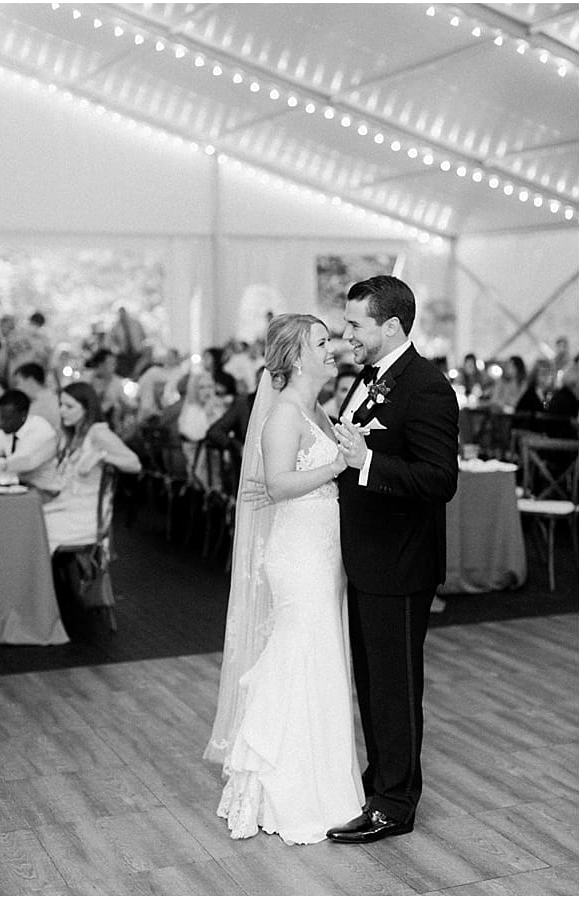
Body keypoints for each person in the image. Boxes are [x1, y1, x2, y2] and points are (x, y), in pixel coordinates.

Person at [205, 313, 363, 844]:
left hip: (323, 552)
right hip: (297, 555)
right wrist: (340, 465)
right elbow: (275, 484)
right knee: (302, 655)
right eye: (321, 343)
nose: (332, 349)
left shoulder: (316, 408)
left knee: (320, 658)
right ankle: (286, 790)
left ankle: (322, 783)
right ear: (296, 357)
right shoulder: (284, 414)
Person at [327, 275, 459, 843]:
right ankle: (379, 778)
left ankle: (395, 804)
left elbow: (439, 479)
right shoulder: (369, 376)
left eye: (356, 324)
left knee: (396, 686)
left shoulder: (426, 386)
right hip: (366, 556)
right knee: (372, 683)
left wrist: (365, 463)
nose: (347, 333)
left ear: (392, 327)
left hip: (401, 562)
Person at [41, 382, 141, 553]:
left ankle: (40, 577)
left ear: (86, 408)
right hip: (68, 506)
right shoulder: (73, 434)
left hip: (85, 516)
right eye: (61, 405)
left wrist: (102, 457)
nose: (62, 411)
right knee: (28, 521)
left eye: (69, 406)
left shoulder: (98, 432)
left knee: (36, 529)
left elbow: (134, 464)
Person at [0, 389, 59, 497]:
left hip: (44, 491)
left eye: (6, 418)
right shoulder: (8, 429)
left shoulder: (40, 429)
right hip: (18, 488)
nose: (0, 423)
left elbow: (24, 462)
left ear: (23, 415)